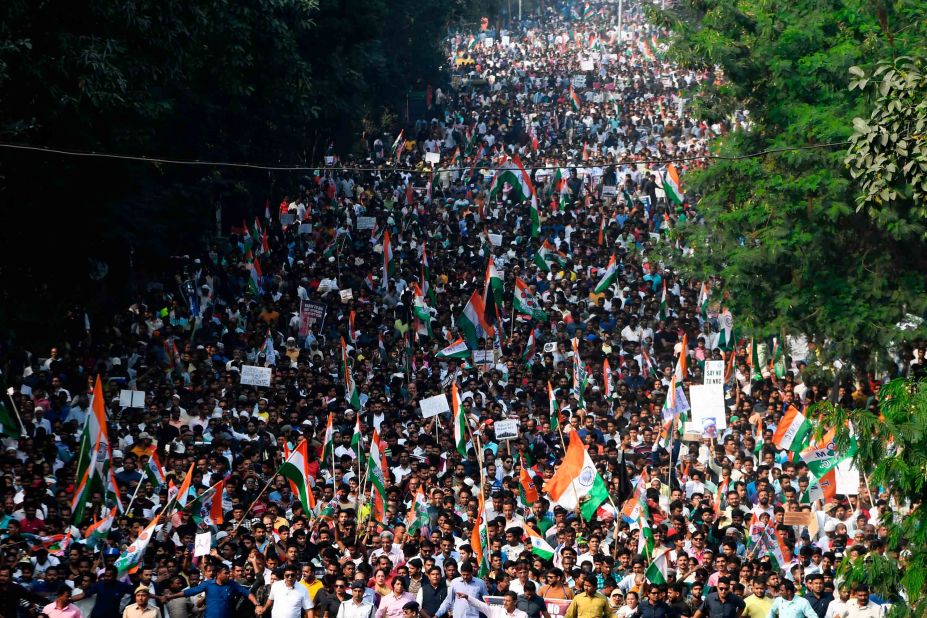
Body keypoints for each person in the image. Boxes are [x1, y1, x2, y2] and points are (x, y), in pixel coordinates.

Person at [167, 564, 261, 618]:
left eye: (229, 573)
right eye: (226, 573)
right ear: (218, 574)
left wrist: (257, 605)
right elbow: (189, 592)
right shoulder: (208, 584)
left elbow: (247, 593)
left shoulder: (232, 584)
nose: (229, 575)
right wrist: (171, 596)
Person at [458, 590, 529, 618]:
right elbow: (479, 605)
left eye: (508, 601)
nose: (504, 603)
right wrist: (467, 597)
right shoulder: (496, 611)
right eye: (504, 600)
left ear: (515, 602)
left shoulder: (522, 615)